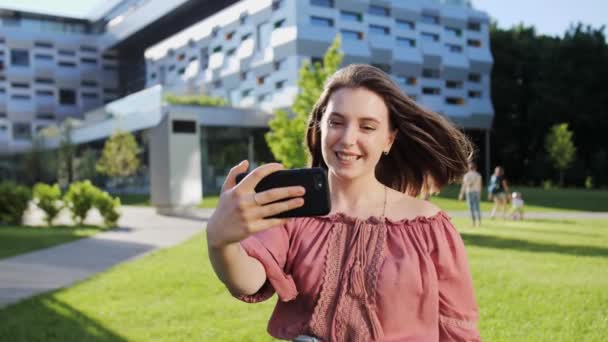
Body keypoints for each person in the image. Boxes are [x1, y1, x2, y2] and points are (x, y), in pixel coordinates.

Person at [206, 64, 481, 341]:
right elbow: (250, 280)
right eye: (336, 122)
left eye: (367, 126)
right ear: (319, 129)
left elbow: (457, 329)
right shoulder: (293, 208)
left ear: (389, 139)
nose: (348, 139)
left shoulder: (430, 226)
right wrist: (221, 241)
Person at [459, 162, 483, 226]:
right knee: (477, 207)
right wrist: (480, 194)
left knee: (471, 207)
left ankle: (473, 222)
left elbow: (464, 185)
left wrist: (461, 194)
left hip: (469, 192)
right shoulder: (478, 175)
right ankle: (479, 222)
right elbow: (480, 186)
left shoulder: (466, 175)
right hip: (476, 192)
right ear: (475, 167)